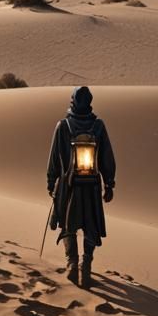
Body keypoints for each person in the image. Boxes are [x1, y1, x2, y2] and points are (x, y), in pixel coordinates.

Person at [46, 86, 115, 289]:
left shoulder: (63, 126)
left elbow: (53, 159)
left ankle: (72, 264)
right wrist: (109, 184)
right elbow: (107, 158)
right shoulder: (98, 126)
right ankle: (86, 267)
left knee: (68, 223)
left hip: (69, 186)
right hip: (92, 186)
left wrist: (51, 183)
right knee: (90, 225)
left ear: (72, 101)